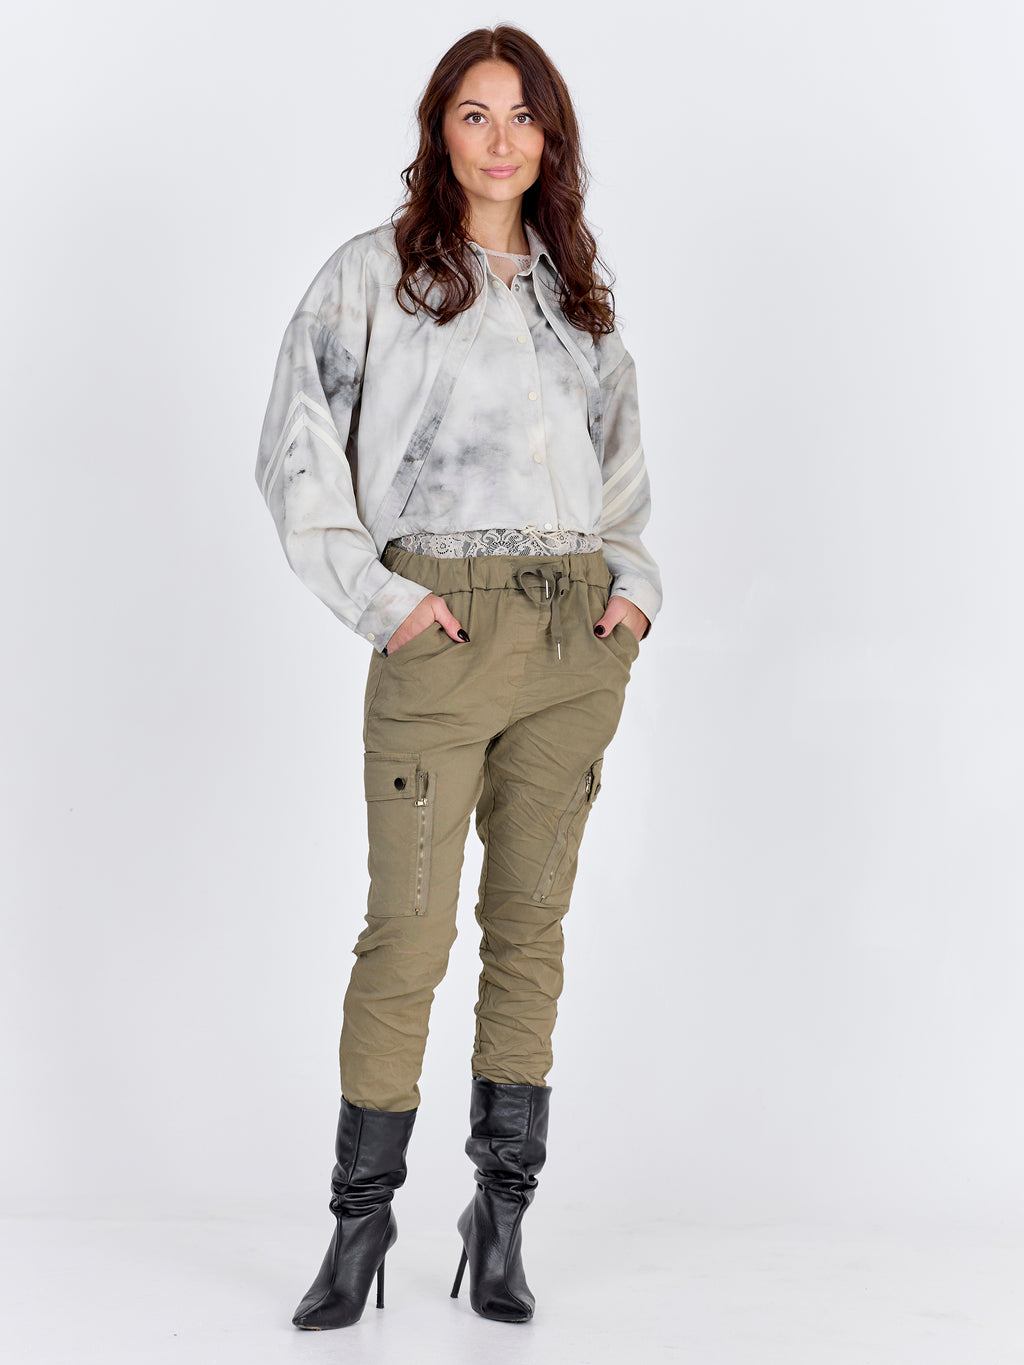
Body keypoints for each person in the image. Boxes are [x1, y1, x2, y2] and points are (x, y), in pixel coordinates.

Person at [254, 23, 662, 1330]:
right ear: (440, 129)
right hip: (440, 632)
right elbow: (295, 450)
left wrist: (633, 594)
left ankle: (501, 1215)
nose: (501, 140)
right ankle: (359, 1224)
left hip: (574, 638)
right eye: (475, 113)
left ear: (552, 138)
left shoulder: (575, 291)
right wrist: (383, 602)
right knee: (408, 935)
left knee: (529, 933)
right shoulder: (373, 277)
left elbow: (620, 470)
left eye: (524, 116)